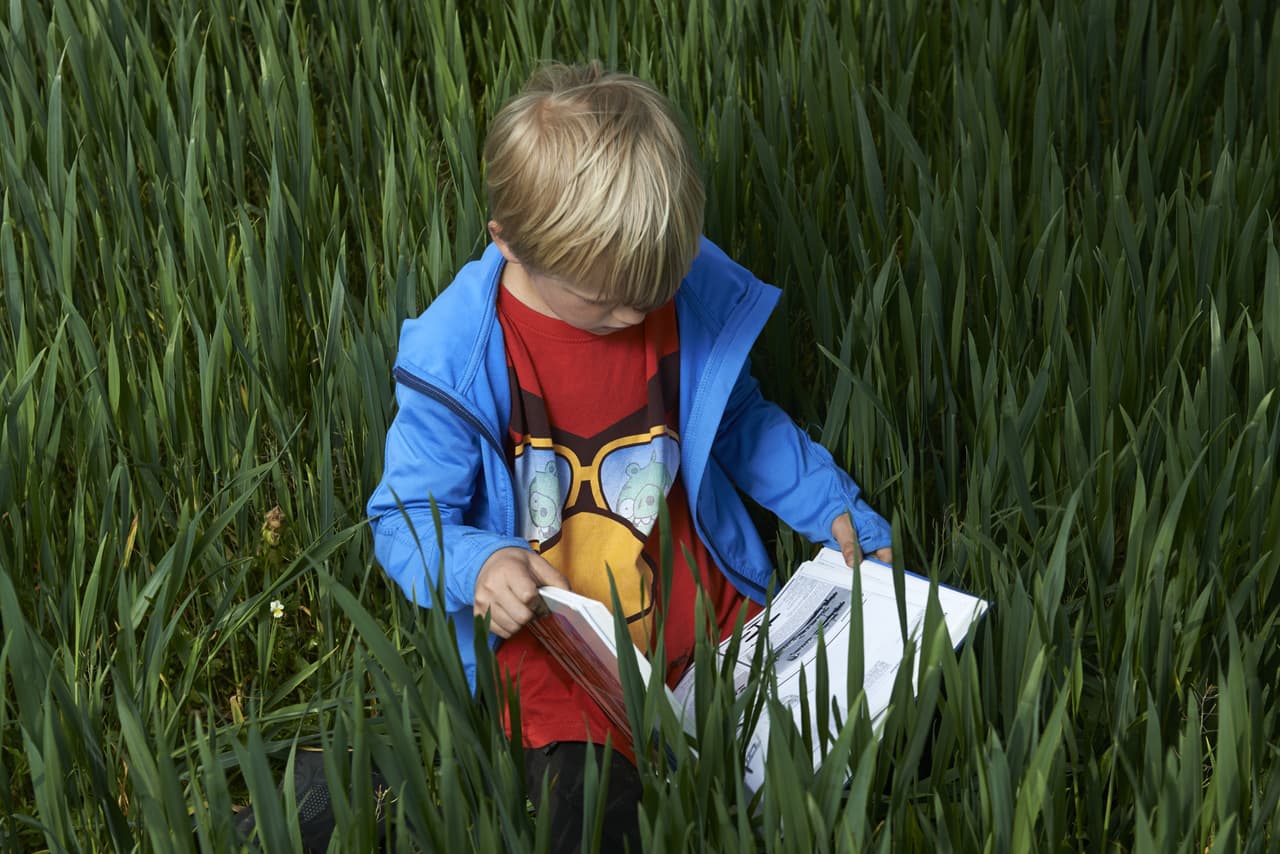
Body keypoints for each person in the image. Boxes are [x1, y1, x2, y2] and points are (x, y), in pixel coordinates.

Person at [366, 61, 893, 851]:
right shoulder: (458, 359)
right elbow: (406, 517)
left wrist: (838, 511)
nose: (639, 310)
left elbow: (745, 423)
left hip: (707, 625)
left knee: (836, 747)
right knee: (593, 814)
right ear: (508, 244)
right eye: (609, 298)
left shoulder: (672, 292)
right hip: (560, 653)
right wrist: (478, 565)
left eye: (659, 283)